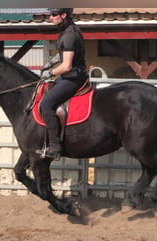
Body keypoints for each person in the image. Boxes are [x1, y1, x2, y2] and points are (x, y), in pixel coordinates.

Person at [36, 8, 88, 160]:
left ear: (63, 15)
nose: (50, 17)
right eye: (50, 15)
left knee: (46, 105)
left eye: (53, 15)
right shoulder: (69, 31)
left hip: (72, 78)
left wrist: (50, 73)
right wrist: (50, 63)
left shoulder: (69, 36)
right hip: (70, 76)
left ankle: (55, 147)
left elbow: (66, 66)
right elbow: (63, 54)